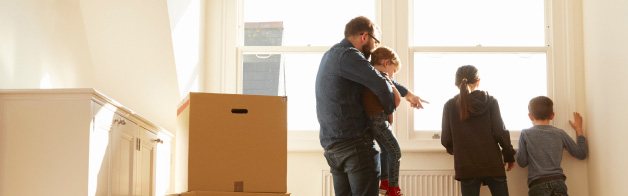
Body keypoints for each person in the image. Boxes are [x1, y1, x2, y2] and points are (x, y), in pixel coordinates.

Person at [316, 16, 427, 196]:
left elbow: (378, 78)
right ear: (364, 37)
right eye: (375, 41)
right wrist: (389, 111)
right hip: (355, 146)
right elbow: (382, 84)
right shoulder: (350, 55)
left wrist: (408, 94)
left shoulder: (331, 55)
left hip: (332, 148)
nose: (375, 47)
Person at [441, 65, 516, 196]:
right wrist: (508, 155)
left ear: (456, 83)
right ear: (478, 81)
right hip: (493, 164)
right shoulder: (491, 101)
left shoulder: (450, 105)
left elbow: (446, 139)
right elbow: (500, 132)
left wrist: (458, 151)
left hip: (466, 166)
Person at [363, 46, 414, 196]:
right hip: (378, 120)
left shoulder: (371, 75)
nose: (392, 76)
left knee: (385, 150)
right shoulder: (380, 78)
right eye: (393, 70)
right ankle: (393, 188)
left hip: (374, 120)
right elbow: (395, 100)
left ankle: (384, 183)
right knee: (395, 152)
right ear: (386, 63)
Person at [516, 96, 588, 196]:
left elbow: (522, 162)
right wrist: (579, 130)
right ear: (552, 115)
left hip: (537, 184)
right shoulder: (559, 133)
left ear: (530, 116)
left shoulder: (525, 134)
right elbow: (581, 154)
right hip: (558, 183)